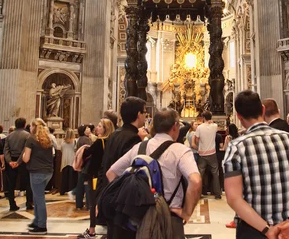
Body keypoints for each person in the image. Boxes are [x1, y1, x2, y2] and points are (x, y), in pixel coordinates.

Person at [223, 90, 289, 238]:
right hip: (288, 230)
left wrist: (267, 229)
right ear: (262, 110)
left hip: (253, 231)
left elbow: (233, 198)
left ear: (238, 116)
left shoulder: (236, 147)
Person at [106, 108, 202, 238]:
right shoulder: (180, 151)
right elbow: (195, 181)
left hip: (139, 217)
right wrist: (186, 212)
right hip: (169, 217)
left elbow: (111, 173)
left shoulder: (139, 147)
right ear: (175, 126)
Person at [101, 96, 149, 239]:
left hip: (109, 192)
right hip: (122, 198)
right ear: (139, 114)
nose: (146, 115)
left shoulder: (115, 134)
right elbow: (131, 171)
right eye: (145, 112)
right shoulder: (133, 138)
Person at [78, 119, 115, 239]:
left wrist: (85, 148)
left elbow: (87, 153)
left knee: (93, 203)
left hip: (96, 176)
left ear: (105, 129)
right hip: (109, 176)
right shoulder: (112, 142)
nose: (97, 128)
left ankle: (92, 230)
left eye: (100, 126)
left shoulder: (100, 142)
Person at [21, 118, 54, 234]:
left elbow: (26, 158)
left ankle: (42, 225)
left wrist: (24, 154)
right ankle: (36, 221)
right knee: (37, 196)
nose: (29, 128)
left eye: (31, 126)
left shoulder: (31, 139)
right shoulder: (48, 139)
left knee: (39, 198)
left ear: (34, 127)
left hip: (36, 171)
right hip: (48, 172)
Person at [4, 117, 32, 212]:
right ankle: (29, 203)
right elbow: (25, 149)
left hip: (11, 161)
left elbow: (6, 150)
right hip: (23, 161)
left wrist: (9, 161)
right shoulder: (27, 135)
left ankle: (12, 204)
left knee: (11, 183)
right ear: (24, 125)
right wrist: (19, 162)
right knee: (27, 182)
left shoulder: (9, 136)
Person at [193, 110, 222, 199]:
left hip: (202, 153)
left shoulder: (200, 128)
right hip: (212, 153)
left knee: (200, 174)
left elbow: (197, 140)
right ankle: (217, 193)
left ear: (203, 118)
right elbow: (216, 126)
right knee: (215, 173)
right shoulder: (214, 126)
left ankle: (198, 193)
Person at [75, 125, 93, 210]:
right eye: (87, 128)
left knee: (80, 185)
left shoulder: (80, 139)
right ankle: (89, 205)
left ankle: (79, 204)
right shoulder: (86, 139)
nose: (88, 129)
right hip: (86, 164)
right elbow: (90, 152)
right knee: (87, 185)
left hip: (81, 164)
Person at [60, 129, 77, 195]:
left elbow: (61, 149)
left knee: (64, 177)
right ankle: (71, 190)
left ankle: (63, 190)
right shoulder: (74, 142)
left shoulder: (63, 142)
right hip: (72, 160)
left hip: (64, 160)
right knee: (72, 177)